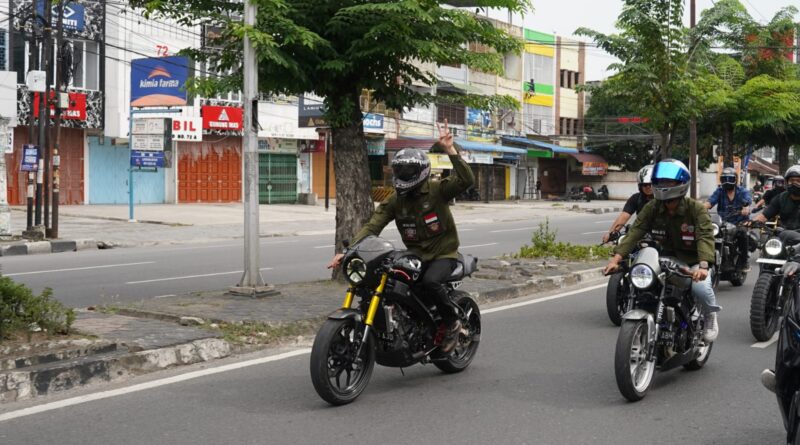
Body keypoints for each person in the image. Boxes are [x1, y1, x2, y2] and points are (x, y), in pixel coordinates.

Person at [327, 120, 475, 353]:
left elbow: (466, 181)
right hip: (415, 255)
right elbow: (372, 226)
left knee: (430, 282)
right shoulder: (396, 200)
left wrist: (450, 150)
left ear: (419, 173)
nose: (403, 175)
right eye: (400, 171)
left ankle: (452, 322)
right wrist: (348, 251)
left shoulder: (437, 191)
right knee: (392, 282)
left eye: (408, 171)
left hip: (443, 255)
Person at [604, 159, 720, 342]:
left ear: (681, 184)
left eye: (669, 182)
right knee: (645, 283)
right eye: (660, 182)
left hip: (693, 261)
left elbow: (705, 236)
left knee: (701, 288)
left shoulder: (696, 209)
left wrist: (703, 266)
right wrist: (616, 259)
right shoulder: (653, 207)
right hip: (664, 258)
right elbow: (636, 231)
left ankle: (710, 317)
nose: (663, 186)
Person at [704, 167, 752, 271]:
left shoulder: (742, 191)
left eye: (730, 179)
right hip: (723, 222)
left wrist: (746, 208)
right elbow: (710, 202)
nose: (727, 182)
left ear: (735, 180)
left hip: (740, 222)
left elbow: (747, 201)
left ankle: (744, 261)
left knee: (742, 233)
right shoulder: (720, 191)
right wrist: (700, 208)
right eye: (724, 179)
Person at [602, 165, 654, 243]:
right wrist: (611, 233)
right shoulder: (636, 198)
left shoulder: (663, 199)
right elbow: (624, 216)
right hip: (641, 235)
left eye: (651, 184)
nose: (648, 187)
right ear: (640, 186)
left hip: (661, 236)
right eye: (645, 185)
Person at [752, 166, 800, 231]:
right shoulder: (781, 198)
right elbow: (764, 216)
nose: (795, 183)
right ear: (787, 182)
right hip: (785, 236)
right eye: (791, 180)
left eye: (798, 181)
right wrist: (750, 223)